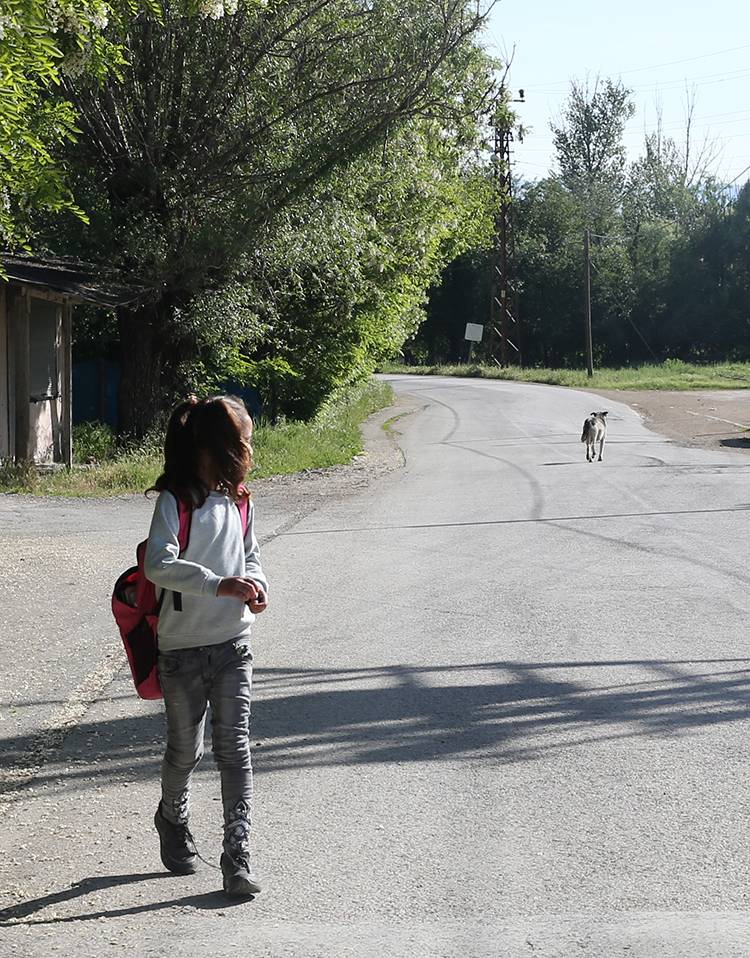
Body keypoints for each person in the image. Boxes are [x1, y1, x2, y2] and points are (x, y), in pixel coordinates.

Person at [144, 395, 268, 898]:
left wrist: (256, 585)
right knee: (184, 751)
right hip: (181, 649)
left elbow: (252, 555)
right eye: (243, 443)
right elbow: (157, 564)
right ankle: (171, 817)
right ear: (214, 447)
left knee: (234, 749)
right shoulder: (174, 502)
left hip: (233, 643)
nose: (249, 452)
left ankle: (237, 854)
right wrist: (218, 584)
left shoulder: (241, 500)